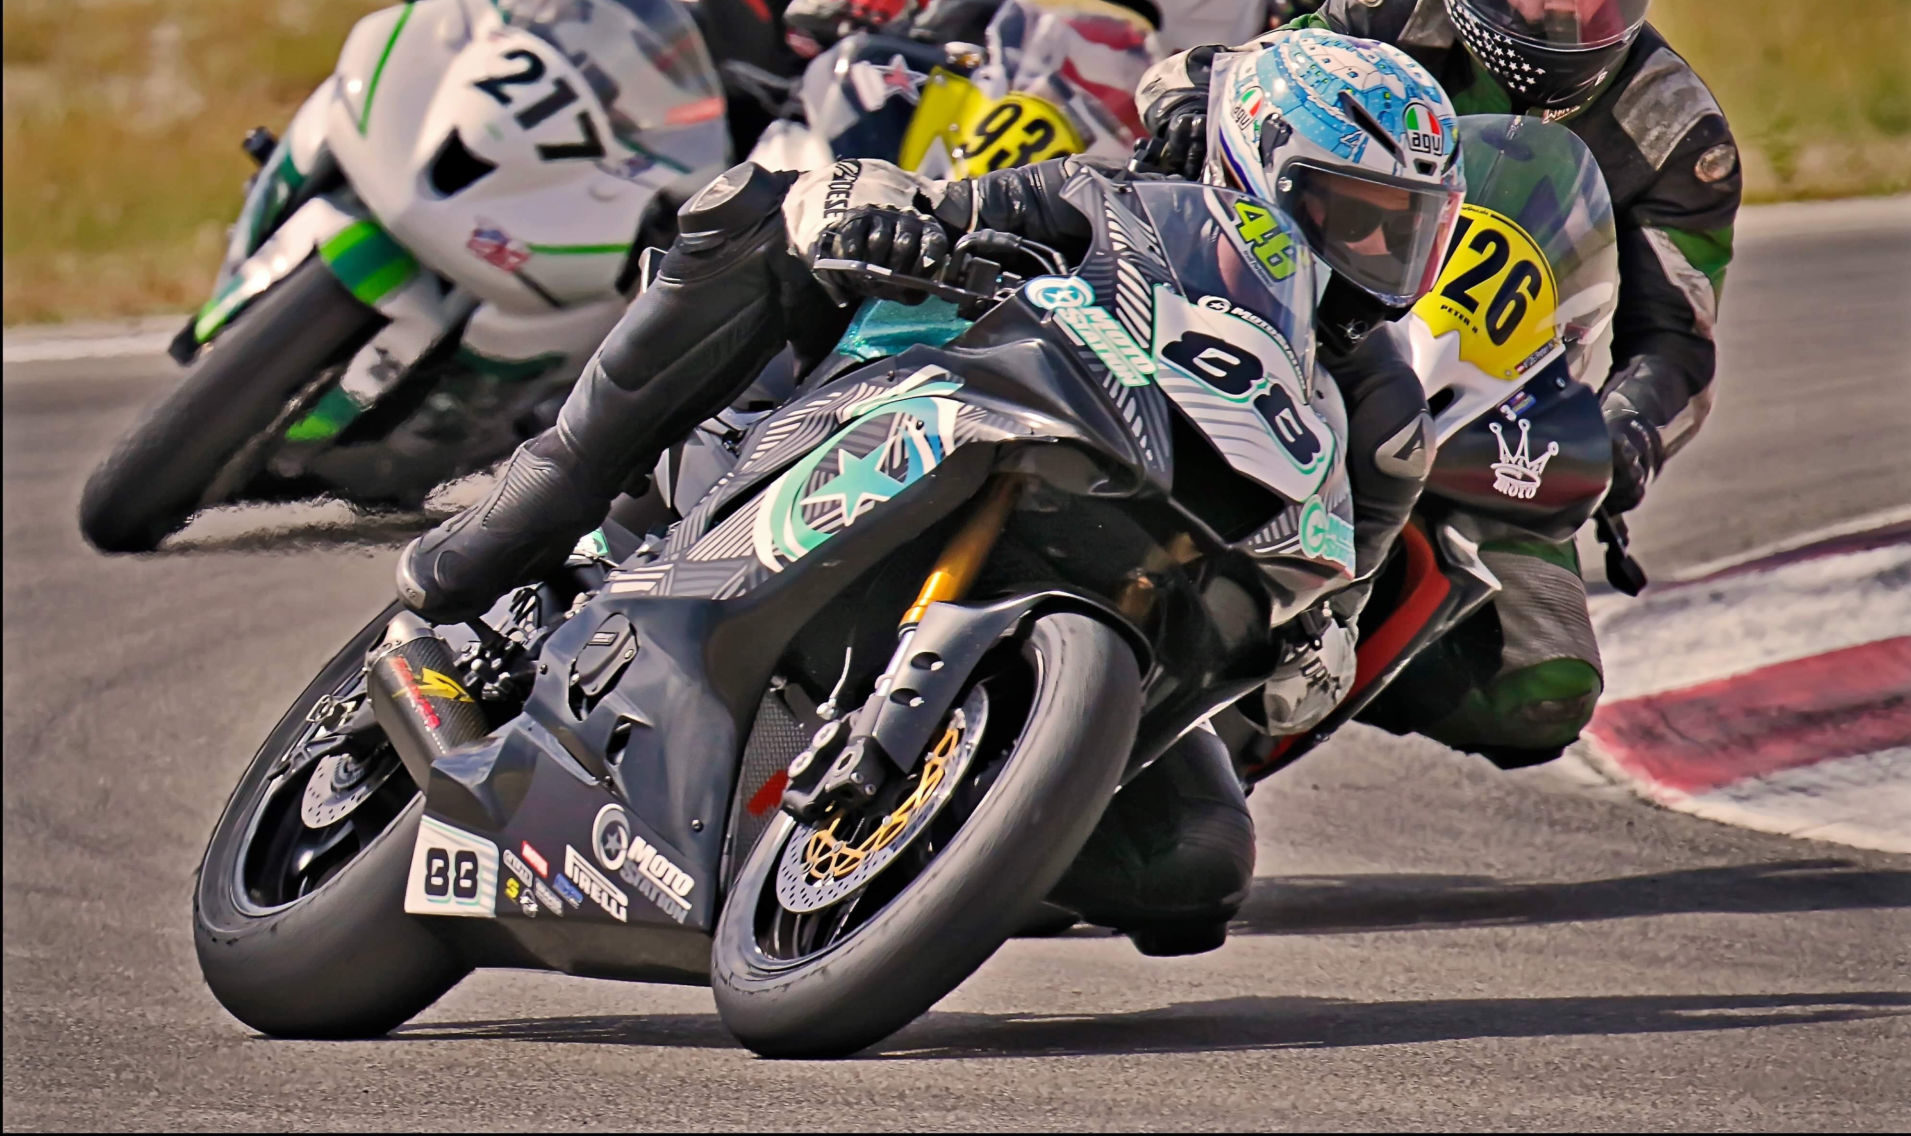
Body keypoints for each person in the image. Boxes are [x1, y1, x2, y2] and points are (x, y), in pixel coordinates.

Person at [395, 28, 1465, 953]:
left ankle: (923, 846)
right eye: (1353, 212)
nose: (1375, 251)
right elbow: (923, 198)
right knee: (749, 216)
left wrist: (1317, 631)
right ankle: (537, 500)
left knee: (1196, 868)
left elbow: (1333, 594)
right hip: (917, 431)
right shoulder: (1124, 202)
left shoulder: (1374, 409)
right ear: (1260, 167)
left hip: (1111, 611)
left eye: (1404, 228)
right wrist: (895, 219)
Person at [1137, 0, 1742, 767]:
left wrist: (1628, 432)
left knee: (1541, 687)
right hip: (1284, 314)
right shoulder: (1392, 12)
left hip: (1491, 415)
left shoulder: (1677, 129)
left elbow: (1678, 344)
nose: (1562, 14)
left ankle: (1294, 692)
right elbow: (1226, 74)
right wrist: (1193, 104)